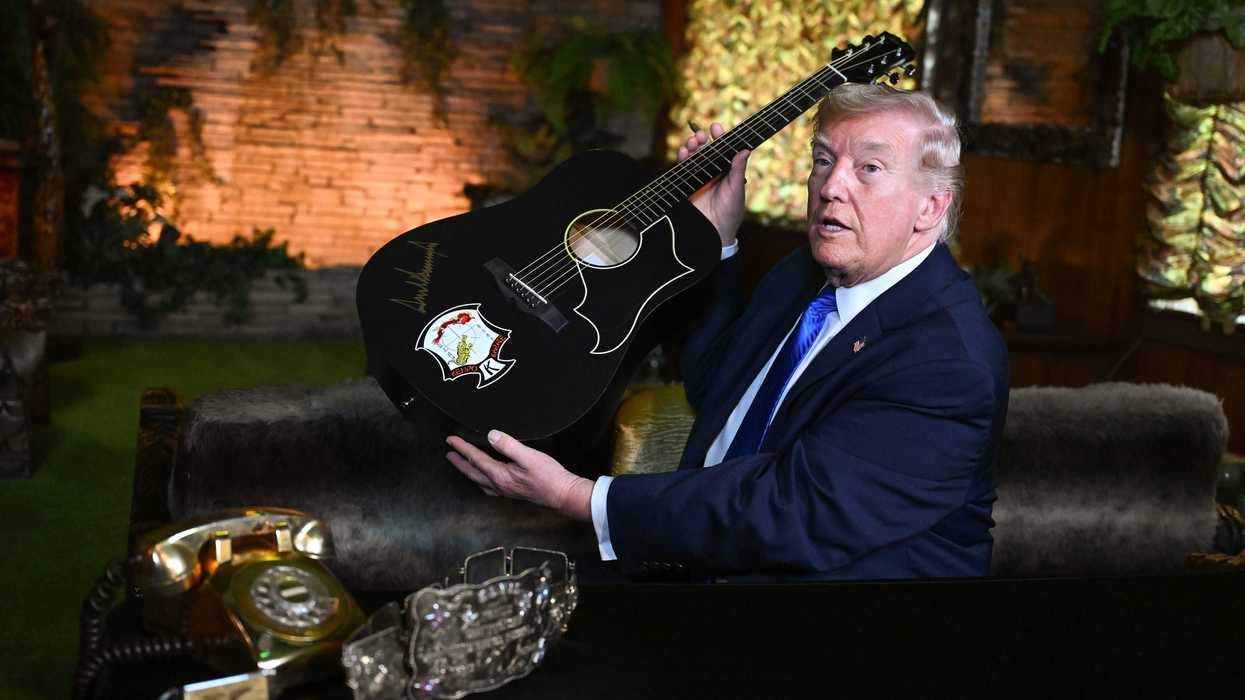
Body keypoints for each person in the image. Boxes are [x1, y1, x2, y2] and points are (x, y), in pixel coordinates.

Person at [446, 84, 1008, 581]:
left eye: (870, 168)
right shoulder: (808, 272)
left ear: (931, 208)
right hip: (699, 561)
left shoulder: (947, 362)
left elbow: (790, 513)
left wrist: (579, 497)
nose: (831, 186)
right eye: (822, 159)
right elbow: (714, 381)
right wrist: (717, 235)